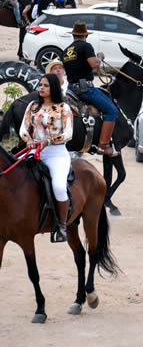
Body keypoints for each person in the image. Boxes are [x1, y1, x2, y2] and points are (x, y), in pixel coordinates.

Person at [19, 73, 73, 243]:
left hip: (56, 153)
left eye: (46, 85)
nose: (41, 88)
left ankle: (62, 226)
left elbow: (68, 133)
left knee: (58, 186)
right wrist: (28, 140)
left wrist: (48, 141)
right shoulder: (32, 106)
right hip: (33, 151)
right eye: (41, 85)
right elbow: (23, 128)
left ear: (54, 88)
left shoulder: (64, 108)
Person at [62, 21, 118, 156]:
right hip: (85, 88)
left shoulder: (66, 51)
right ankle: (103, 145)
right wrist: (99, 57)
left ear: (74, 35)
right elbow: (94, 64)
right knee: (112, 110)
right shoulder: (86, 46)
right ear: (85, 35)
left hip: (71, 87)